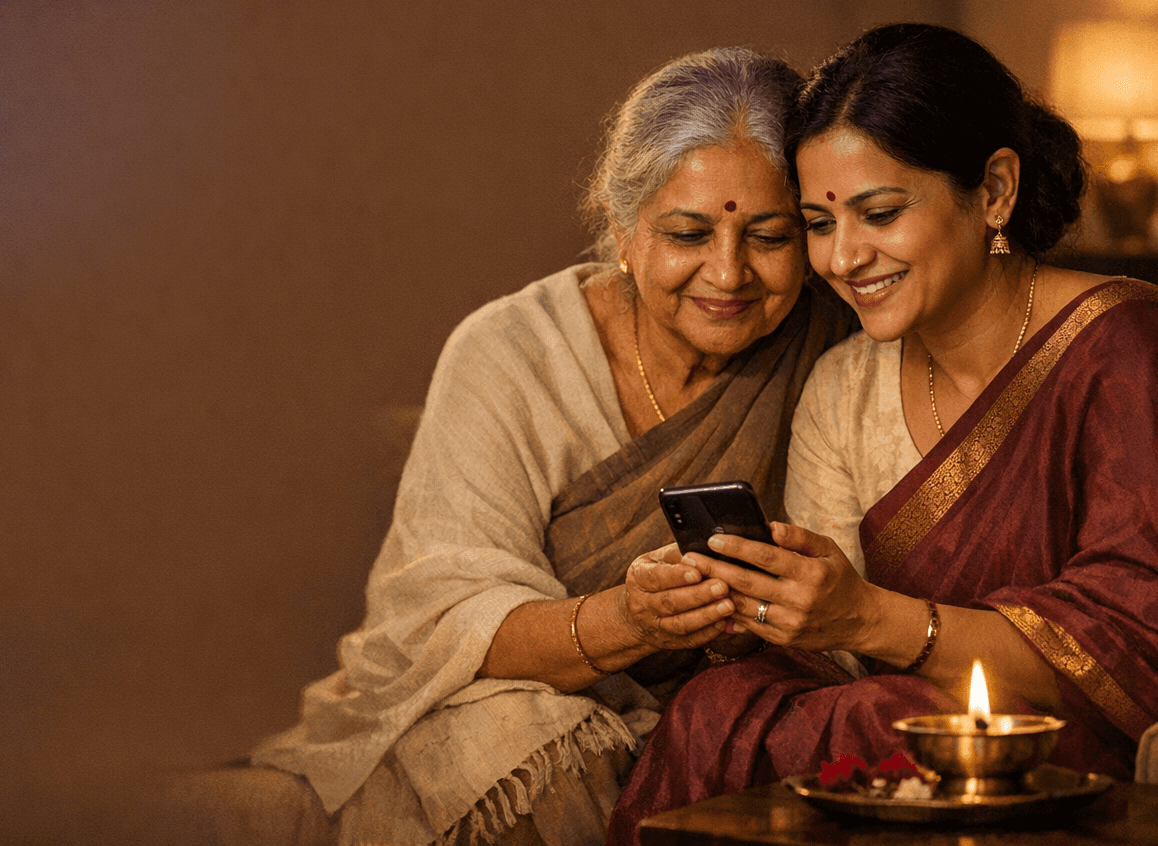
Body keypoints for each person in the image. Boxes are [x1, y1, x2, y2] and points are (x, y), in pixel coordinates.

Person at [606, 23, 1158, 846]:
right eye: (818, 224)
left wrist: (872, 620)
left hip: (1069, 742)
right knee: (722, 705)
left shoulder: (1130, 349)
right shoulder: (844, 387)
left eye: (879, 213)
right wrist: (748, 605)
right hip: (898, 722)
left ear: (996, 191)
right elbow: (828, 657)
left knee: (884, 718)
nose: (844, 258)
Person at [246, 47, 855, 846]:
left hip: (739, 705)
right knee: (520, 742)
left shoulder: (837, 346)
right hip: (518, 701)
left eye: (770, 237)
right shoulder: (510, 351)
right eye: (687, 232)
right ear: (622, 225)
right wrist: (630, 620)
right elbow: (443, 622)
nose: (728, 272)